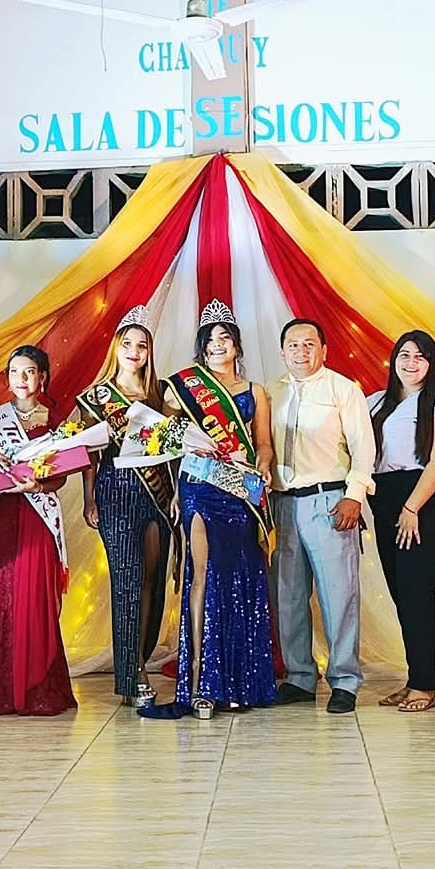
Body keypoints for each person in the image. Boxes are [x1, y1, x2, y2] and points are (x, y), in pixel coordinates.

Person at [157, 300, 278, 720]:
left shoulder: (255, 391)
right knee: (203, 577)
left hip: (239, 491)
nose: (218, 344)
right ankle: (198, 683)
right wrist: (177, 488)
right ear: (201, 347)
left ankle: (241, 680)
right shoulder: (182, 387)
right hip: (199, 488)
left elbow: (263, 444)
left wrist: (264, 465)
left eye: (225, 337)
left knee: (241, 578)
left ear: (236, 344)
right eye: (210, 339)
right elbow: (168, 443)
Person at [268, 317, 377, 715]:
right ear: (283, 352)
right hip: (282, 503)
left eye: (309, 344)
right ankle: (299, 676)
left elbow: (364, 449)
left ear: (324, 350)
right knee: (288, 594)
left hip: (329, 501)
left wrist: (354, 496)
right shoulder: (271, 392)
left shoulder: (343, 389)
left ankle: (344, 680)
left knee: (339, 594)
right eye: (293, 345)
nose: (301, 351)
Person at [77, 308, 175, 706]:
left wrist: (177, 494)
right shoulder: (97, 396)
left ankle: (140, 659)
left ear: (150, 351)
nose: (134, 351)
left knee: (151, 581)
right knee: (127, 581)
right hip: (115, 491)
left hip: (157, 494)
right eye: (128, 344)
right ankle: (130, 674)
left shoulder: (162, 393)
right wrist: (89, 499)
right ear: (116, 348)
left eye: (142, 345)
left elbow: (173, 450)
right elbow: (88, 455)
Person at [0, 346, 76, 716]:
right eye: (15, 371)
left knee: (35, 596)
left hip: (38, 515)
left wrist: (39, 485)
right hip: (1, 516)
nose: (22, 378)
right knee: (0, 594)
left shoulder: (58, 419)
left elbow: (62, 474)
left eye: (30, 371)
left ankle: (37, 688)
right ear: (7, 377)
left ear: (42, 377)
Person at [368, 330, 435, 714]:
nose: (411, 363)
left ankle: (425, 685)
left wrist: (411, 508)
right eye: (404, 355)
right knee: (401, 594)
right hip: (386, 499)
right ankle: (414, 679)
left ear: (431, 363)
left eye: (420, 356)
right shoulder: (374, 402)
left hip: (424, 501)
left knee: (417, 593)